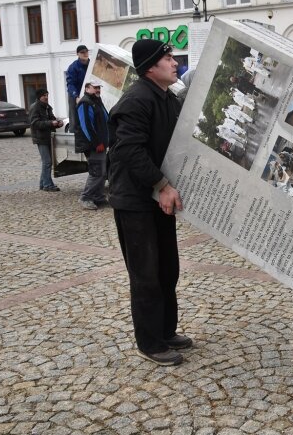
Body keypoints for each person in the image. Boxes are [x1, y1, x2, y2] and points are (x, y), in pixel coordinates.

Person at [108, 39, 190, 366]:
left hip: (157, 197)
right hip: (136, 201)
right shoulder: (137, 99)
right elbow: (128, 150)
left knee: (167, 269)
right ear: (151, 67)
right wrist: (162, 184)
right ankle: (150, 343)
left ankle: (166, 332)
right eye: (168, 58)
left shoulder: (166, 97)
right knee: (146, 274)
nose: (174, 62)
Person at [74, 82, 110, 210]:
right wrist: (96, 143)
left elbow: (105, 120)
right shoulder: (85, 103)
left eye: (99, 87)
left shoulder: (96, 101)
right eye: (95, 87)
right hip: (93, 145)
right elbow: (86, 126)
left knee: (102, 172)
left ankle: (98, 197)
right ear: (87, 88)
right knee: (96, 172)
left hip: (100, 144)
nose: (98, 89)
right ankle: (86, 197)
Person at [28, 89, 64, 192]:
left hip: (49, 137)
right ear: (39, 97)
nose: (46, 97)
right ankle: (48, 185)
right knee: (47, 162)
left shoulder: (48, 107)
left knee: (47, 162)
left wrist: (58, 123)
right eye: (44, 95)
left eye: (47, 95)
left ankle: (43, 184)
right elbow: (35, 123)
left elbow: (52, 119)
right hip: (41, 138)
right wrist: (50, 123)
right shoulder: (35, 107)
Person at [66, 45, 90, 131]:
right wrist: (76, 96)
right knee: (75, 117)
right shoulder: (73, 67)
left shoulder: (92, 64)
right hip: (76, 94)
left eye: (86, 51)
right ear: (78, 54)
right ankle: (74, 131)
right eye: (82, 52)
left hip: (89, 94)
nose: (85, 54)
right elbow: (70, 84)